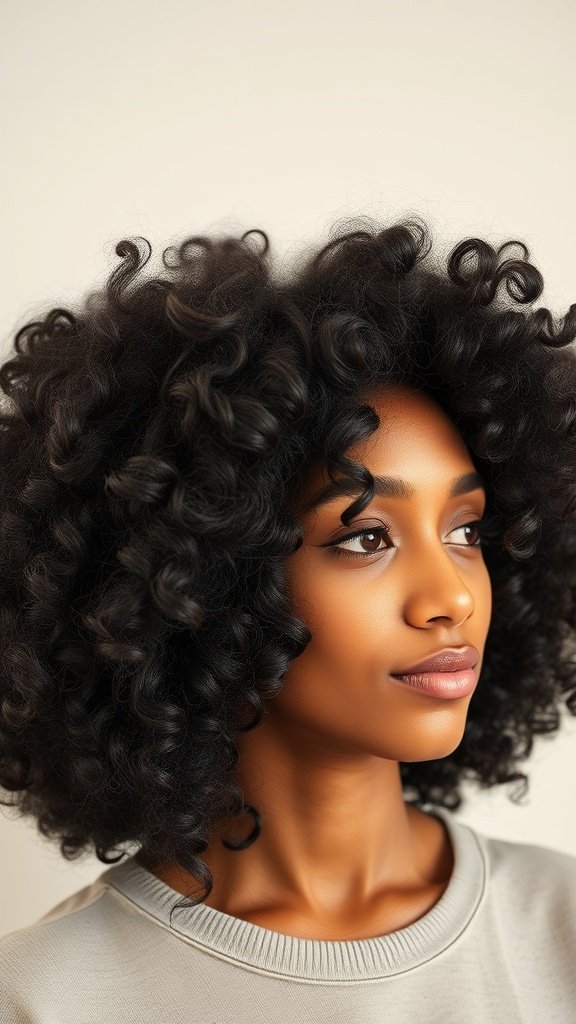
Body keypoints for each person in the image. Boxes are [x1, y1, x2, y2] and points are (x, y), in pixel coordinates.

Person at [1, 215, 575, 1022]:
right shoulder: (44, 998)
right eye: (367, 536)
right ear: (201, 577)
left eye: (467, 531)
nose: (452, 596)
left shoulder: (561, 932)